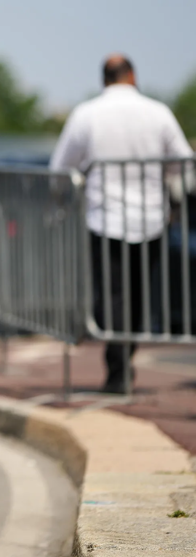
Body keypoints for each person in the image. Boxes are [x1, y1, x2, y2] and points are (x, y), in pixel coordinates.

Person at [50, 55, 192, 393]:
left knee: (111, 295)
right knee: (139, 294)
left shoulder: (86, 113)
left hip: (105, 217)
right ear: (132, 75)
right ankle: (123, 363)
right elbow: (182, 163)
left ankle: (118, 370)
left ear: (104, 78)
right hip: (151, 217)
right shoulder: (159, 112)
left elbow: (60, 168)